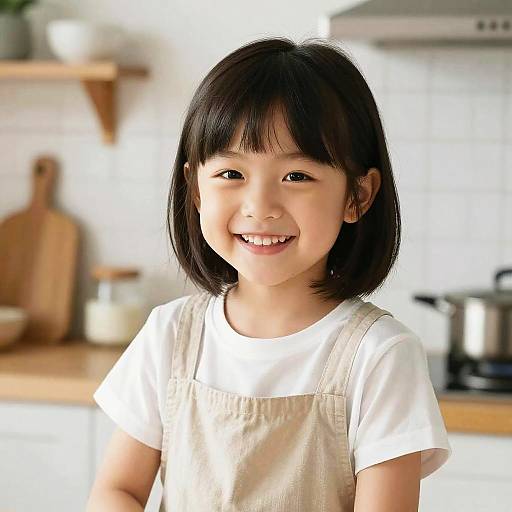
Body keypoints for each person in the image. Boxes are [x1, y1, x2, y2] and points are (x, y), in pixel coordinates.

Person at [86, 36, 451, 511]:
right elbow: (118, 491)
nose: (260, 207)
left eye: (296, 176)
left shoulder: (380, 356)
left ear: (357, 196)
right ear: (195, 188)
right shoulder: (171, 335)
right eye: (231, 174)